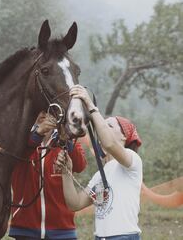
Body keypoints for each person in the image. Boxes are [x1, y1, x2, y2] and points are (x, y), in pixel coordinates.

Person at [56, 84, 143, 240]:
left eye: (109, 125)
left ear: (124, 136)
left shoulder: (132, 161)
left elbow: (110, 143)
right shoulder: (100, 175)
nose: (102, 128)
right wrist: (66, 172)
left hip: (124, 236)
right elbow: (74, 204)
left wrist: (90, 105)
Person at [9, 111, 87, 240]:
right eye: (39, 110)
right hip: (25, 227)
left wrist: (66, 139)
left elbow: (80, 166)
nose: (44, 114)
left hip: (62, 229)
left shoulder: (66, 139)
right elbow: (17, 158)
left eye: (49, 110)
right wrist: (37, 134)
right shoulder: (20, 137)